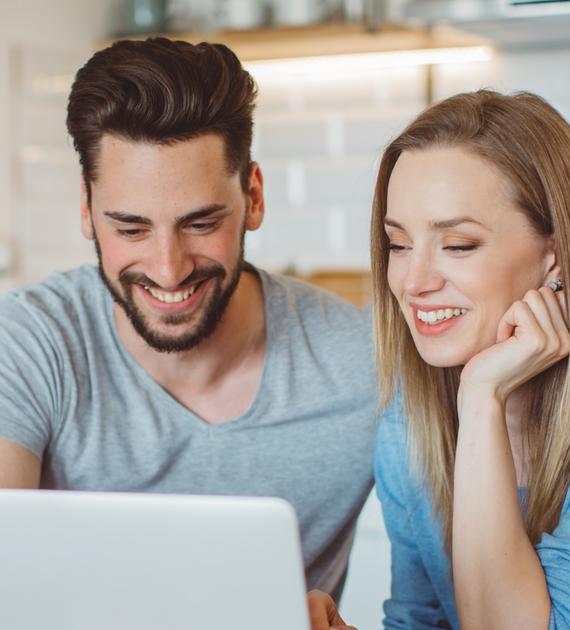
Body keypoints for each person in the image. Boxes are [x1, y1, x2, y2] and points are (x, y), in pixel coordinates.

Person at [309, 89, 570, 630]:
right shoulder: (411, 426)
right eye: (399, 243)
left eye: (457, 245)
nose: (412, 281)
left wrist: (483, 396)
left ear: (555, 254)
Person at [0, 38, 376, 600]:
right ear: (86, 209)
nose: (169, 269)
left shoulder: (361, 365)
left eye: (200, 224)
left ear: (253, 196)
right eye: (131, 228)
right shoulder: (32, 344)